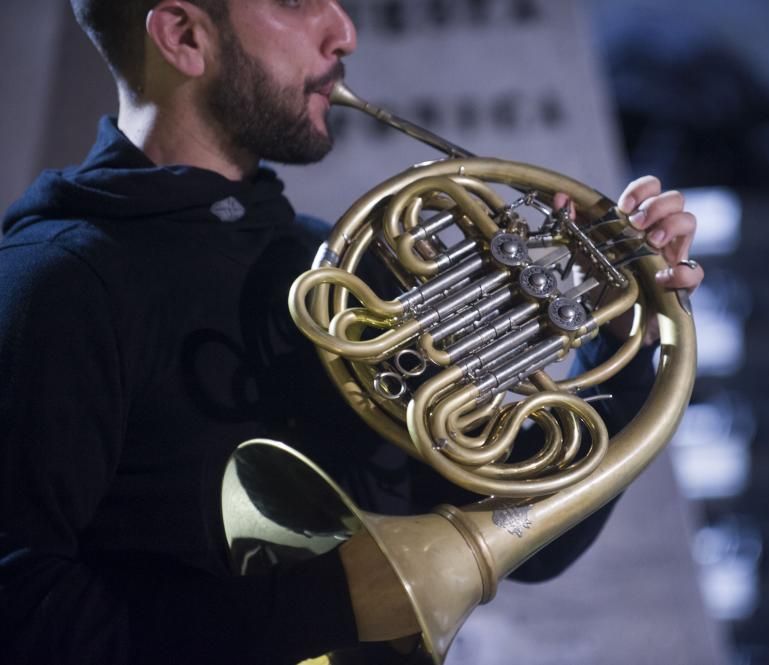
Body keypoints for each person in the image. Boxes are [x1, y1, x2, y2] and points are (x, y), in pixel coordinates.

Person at [0, 1, 705, 663]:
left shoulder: (342, 266)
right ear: (185, 37)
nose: (344, 31)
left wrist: (617, 338)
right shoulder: (59, 282)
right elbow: (20, 608)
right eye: (298, 1)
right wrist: (335, 600)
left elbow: (531, 542)